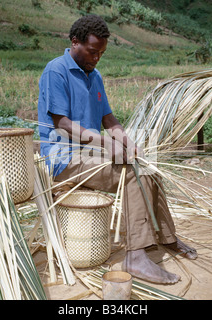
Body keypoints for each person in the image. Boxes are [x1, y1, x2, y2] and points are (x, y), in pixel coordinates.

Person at [37, 14, 197, 284]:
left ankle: (166, 237)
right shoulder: (56, 71)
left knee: (148, 168)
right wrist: (104, 142)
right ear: (74, 42)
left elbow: (109, 120)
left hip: (88, 152)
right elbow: (61, 123)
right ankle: (135, 256)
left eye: (101, 53)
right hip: (63, 157)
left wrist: (127, 140)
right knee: (134, 174)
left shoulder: (94, 75)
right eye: (92, 51)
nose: (97, 57)